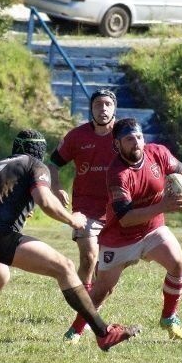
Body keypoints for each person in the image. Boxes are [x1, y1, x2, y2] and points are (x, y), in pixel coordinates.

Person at [0, 129, 139, 351]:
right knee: (65, 267)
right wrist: (73, 219)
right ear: (40, 151)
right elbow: (44, 199)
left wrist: (7, 209)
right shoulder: (35, 164)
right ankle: (103, 333)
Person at [64, 118, 182, 344]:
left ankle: (169, 317)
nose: (136, 143)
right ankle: (75, 330)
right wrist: (164, 205)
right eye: (129, 139)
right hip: (119, 238)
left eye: (139, 137)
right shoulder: (117, 173)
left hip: (153, 230)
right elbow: (125, 219)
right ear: (117, 145)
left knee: (177, 264)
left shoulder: (158, 154)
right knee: (102, 289)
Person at [48, 88, 118, 291]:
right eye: (98, 104)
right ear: (91, 109)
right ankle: (82, 309)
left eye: (107, 104)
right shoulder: (77, 136)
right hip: (85, 208)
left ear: (115, 108)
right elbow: (53, 163)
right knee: (88, 257)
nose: (102, 109)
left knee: (105, 268)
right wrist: (57, 187)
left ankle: (92, 306)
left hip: (117, 210)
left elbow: (141, 164)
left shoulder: (124, 135)